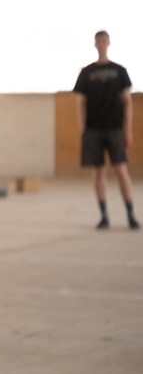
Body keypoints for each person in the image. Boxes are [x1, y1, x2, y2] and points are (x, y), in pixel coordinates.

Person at [73, 30, 138, 231]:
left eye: (104, 40)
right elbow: (80, 102)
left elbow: (127, 101)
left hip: (115, 128)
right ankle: (104, 216)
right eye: (98, 41)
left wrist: (127, 129)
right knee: (98, 171)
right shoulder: (86, 72)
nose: (101, 44)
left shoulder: (120, 71)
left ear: (108, 43)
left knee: (121, 170)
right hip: (93, 129)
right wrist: (83, 129)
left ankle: (130, 215)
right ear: (95, 44)